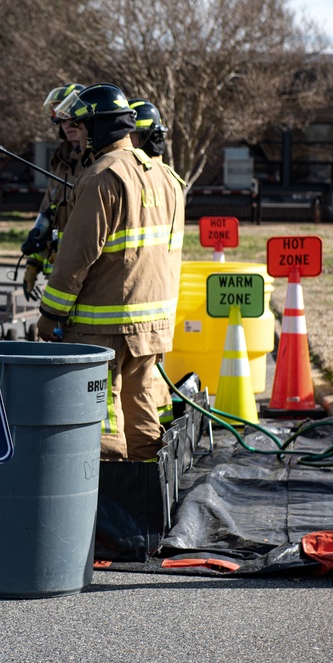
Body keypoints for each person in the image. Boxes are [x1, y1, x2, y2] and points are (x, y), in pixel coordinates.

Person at [38, 83, 182, 461]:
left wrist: (50, 313)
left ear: (99, 129)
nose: (80, 136)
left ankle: (108, 501)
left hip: (104, 326)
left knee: (100, 417)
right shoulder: (166, 177)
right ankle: (148, 491)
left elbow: (76, 255)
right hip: (152, 323)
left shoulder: (103, 175)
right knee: (141, 408)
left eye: (84, 128)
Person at [129, 97, 186, 427]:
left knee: (139, 387)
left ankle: (151, 451)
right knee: (151, 379)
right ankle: (164, 439)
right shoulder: (172, 180)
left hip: (142, 301)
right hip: (162, 300)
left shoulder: (145, 180)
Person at [22, 83, 86, 301]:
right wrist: (35, 261)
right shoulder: (60, 160)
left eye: (71, 118)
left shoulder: (97, 162)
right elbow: (48, 214)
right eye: (61, 119)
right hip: (58, 274)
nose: (66, 125)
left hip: (85, 276)